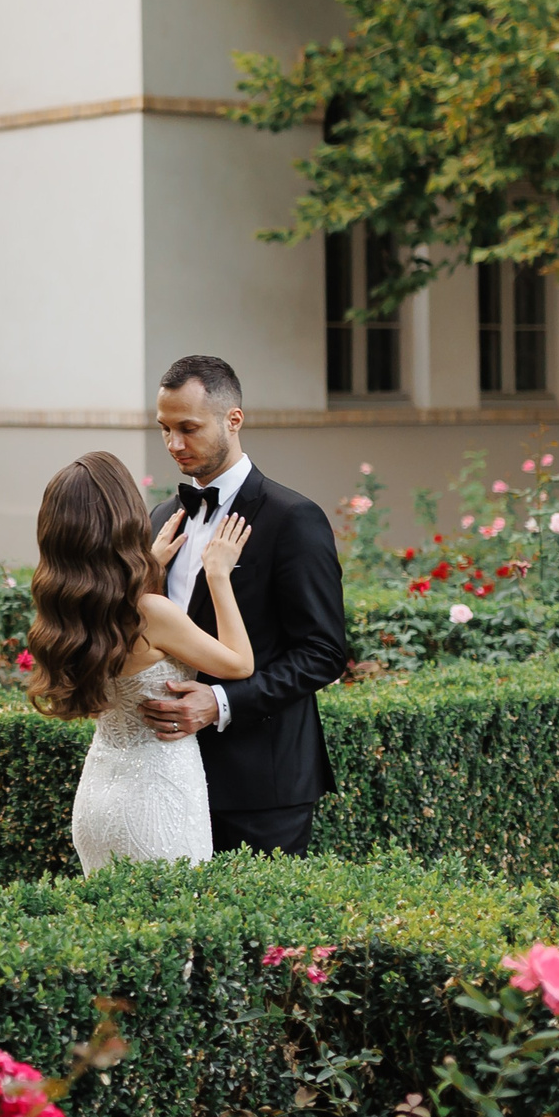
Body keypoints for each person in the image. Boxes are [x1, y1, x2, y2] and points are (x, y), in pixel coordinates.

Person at [134, 354, 349, 856]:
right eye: (164, 429)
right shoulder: (163, 518)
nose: (174, 445)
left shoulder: (293, 518)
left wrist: (221, 703)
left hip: (264, 785)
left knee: (265, 936)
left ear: (234, 420)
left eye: (188, 428)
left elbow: (323, 651)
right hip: (166, 777)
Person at [23, 449, 255, 871]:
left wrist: (150, 567)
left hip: (97, 798)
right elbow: (239, 665)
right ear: (125, 517)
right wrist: (219, 576)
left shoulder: (66, 610)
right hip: (157, 799)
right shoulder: (151, 613)